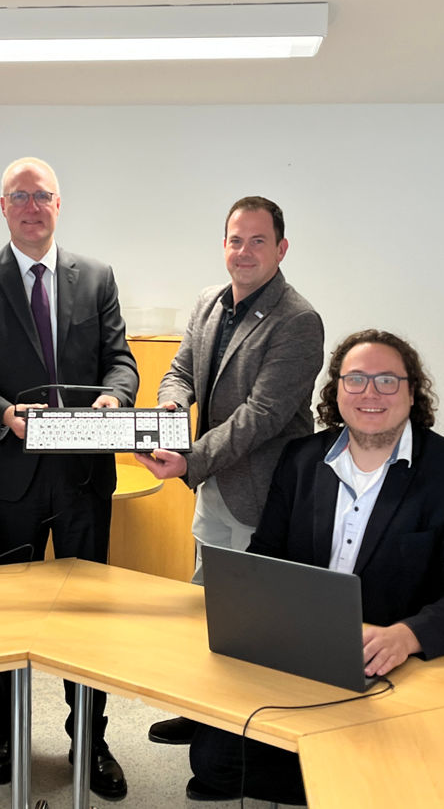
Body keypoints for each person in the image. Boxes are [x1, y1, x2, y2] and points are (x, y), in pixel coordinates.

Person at [185, 329, 444, 804]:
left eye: (387, 381)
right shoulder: (300, 460)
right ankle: (366, 777)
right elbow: (265, 554)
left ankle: (373, 774)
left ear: (412, 392)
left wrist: (407, 635)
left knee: (418, 758)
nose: (370, 393)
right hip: (303, 656)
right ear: (336, 391)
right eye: (355, 380)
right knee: (212, 761)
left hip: (395, 670)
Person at [0, 156, 139, 800]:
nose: (32, 207)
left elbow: (121, 362)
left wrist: (114, 399)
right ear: (3, 207)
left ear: (60, 204)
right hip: (8, 479)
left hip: (84, 476)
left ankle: (92, 737)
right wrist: (5, 413)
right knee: (6, 613)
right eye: (19, 196)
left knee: (89, 617)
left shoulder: (98, 277)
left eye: (43, 196)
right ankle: (7, 732)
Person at [134, 195, 325, 747]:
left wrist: (189, 459)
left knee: (254, 620)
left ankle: (244, 741)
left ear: (281, 248)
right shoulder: (208, 302)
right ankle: (204, 716)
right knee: (206, 603)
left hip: (263, 489)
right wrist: (171, 405)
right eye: (235, 240)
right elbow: (179, 370)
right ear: (224, 246)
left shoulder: (297, 319)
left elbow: (262, 416)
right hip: (215, 485)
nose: (244, 252)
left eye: (258, 241)